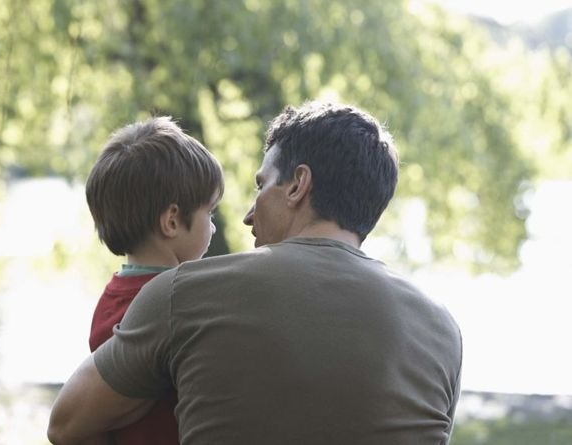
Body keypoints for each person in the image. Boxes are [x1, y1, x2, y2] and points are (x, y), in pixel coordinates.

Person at [48, 101, 462, 445]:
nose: (248, 215)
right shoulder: (442, 330)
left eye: (261, 186)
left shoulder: (184, 295)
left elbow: (65, 427)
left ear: (297, 185)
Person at [82, 116, 224, 445]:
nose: (213, 226)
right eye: (209, 212)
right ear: (171, 221)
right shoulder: (183, 302)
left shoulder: (110, 299)